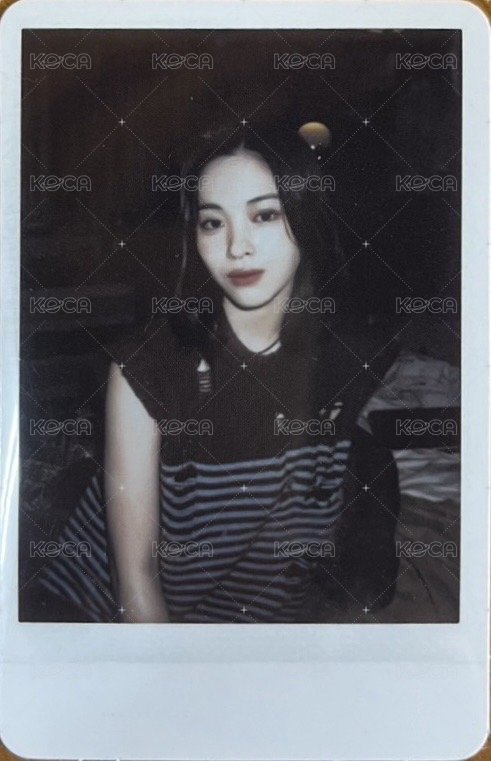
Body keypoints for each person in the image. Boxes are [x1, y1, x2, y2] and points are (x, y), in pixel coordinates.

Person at [36, 125, 401, 624]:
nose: (236, 247)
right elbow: (135, 579)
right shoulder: (148, 366)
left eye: (264, 215)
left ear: (307, 214)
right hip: (110, 618)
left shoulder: (348, 356)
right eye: (213, 222)